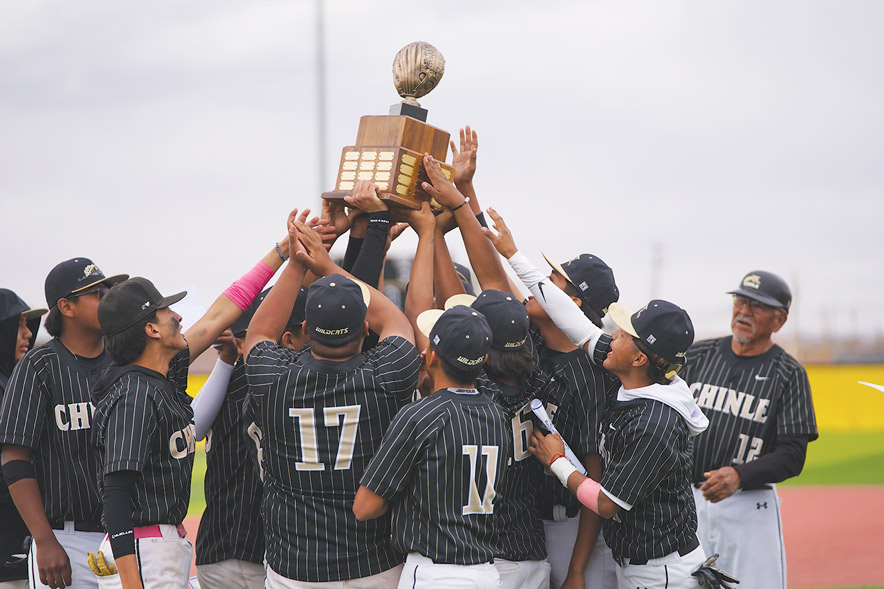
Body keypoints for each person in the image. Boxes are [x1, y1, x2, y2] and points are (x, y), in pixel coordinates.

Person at [422, 152, 619, 589]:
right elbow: (490, 283)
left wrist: (578, 570)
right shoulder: (530, 334)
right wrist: (465, 195)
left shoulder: (591, 374)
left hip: (574, 526)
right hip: (528, 521)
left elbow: (595, 478)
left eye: (556, 280)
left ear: (574, 305)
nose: (543, 283)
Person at [88, 240, 289, 589]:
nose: (179, 316)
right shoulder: (134, 393)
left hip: (157, 546)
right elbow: (116, 494)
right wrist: (131, 580)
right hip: (141, 549)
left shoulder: (159, 374)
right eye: (167, 312)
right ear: (151, 330)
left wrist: (283, 252)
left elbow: (219, 314)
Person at [243, 210, 420, 587]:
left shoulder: (275, 378)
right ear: (365, 329)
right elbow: (396, 323)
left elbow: (260, 330)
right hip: (375, 566)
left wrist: (297, 260)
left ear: (306, 328)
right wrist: (327, 267)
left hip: (296, 568)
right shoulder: (386, 374)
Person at [526, 299, 711, 589]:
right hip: (644, 565)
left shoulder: (653, 423)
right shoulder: (637, 389)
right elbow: (579, 329)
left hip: (661, 572)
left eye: (623, 334)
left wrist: (557, 462)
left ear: (639, 360)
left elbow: (605, 503)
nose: (612, 336)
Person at [353, 305, 512, 589]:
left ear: (431, 357)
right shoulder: (498, 414)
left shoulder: (420, 415)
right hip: (487, 574)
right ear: (483, 359)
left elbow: (365, 507)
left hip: (434, 574)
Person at [680, 271, 818, 589]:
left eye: (757, 306)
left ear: (779, 320)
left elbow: (792, 456)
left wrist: (740, 475)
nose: (744, 311)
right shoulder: (698, 356)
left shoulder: (789, 374)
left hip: (748, 505)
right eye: (740, 300)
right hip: (685, 501)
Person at [0, 259, 127, 589]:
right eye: (97, 292)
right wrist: (44, 540)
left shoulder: (124, 361)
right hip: (65, 538)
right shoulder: (39, 366)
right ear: (66, 306)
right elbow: (14, 459)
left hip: (124, 536)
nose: (108, 297)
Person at [0, 289, 47, 589]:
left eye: (29, 324)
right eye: (17, 325)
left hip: (23, 547)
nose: (28, 333)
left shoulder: (16, 382)